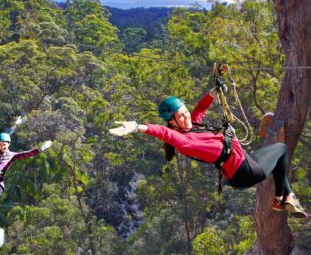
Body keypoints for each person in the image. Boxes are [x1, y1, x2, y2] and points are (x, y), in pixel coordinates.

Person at [109, 89, 307, 218]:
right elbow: (164, 133)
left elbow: (200, 109)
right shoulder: (185, 142)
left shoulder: (191, 127)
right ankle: (282, 197)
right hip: (244, 171)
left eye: (185, 112)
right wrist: (138, 127)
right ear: (172, 122)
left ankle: (285, 197)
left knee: (272, 154)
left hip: (242, 163)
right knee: (280, 149)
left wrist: (213, 92)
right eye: (181, 116)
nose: (187, 117)